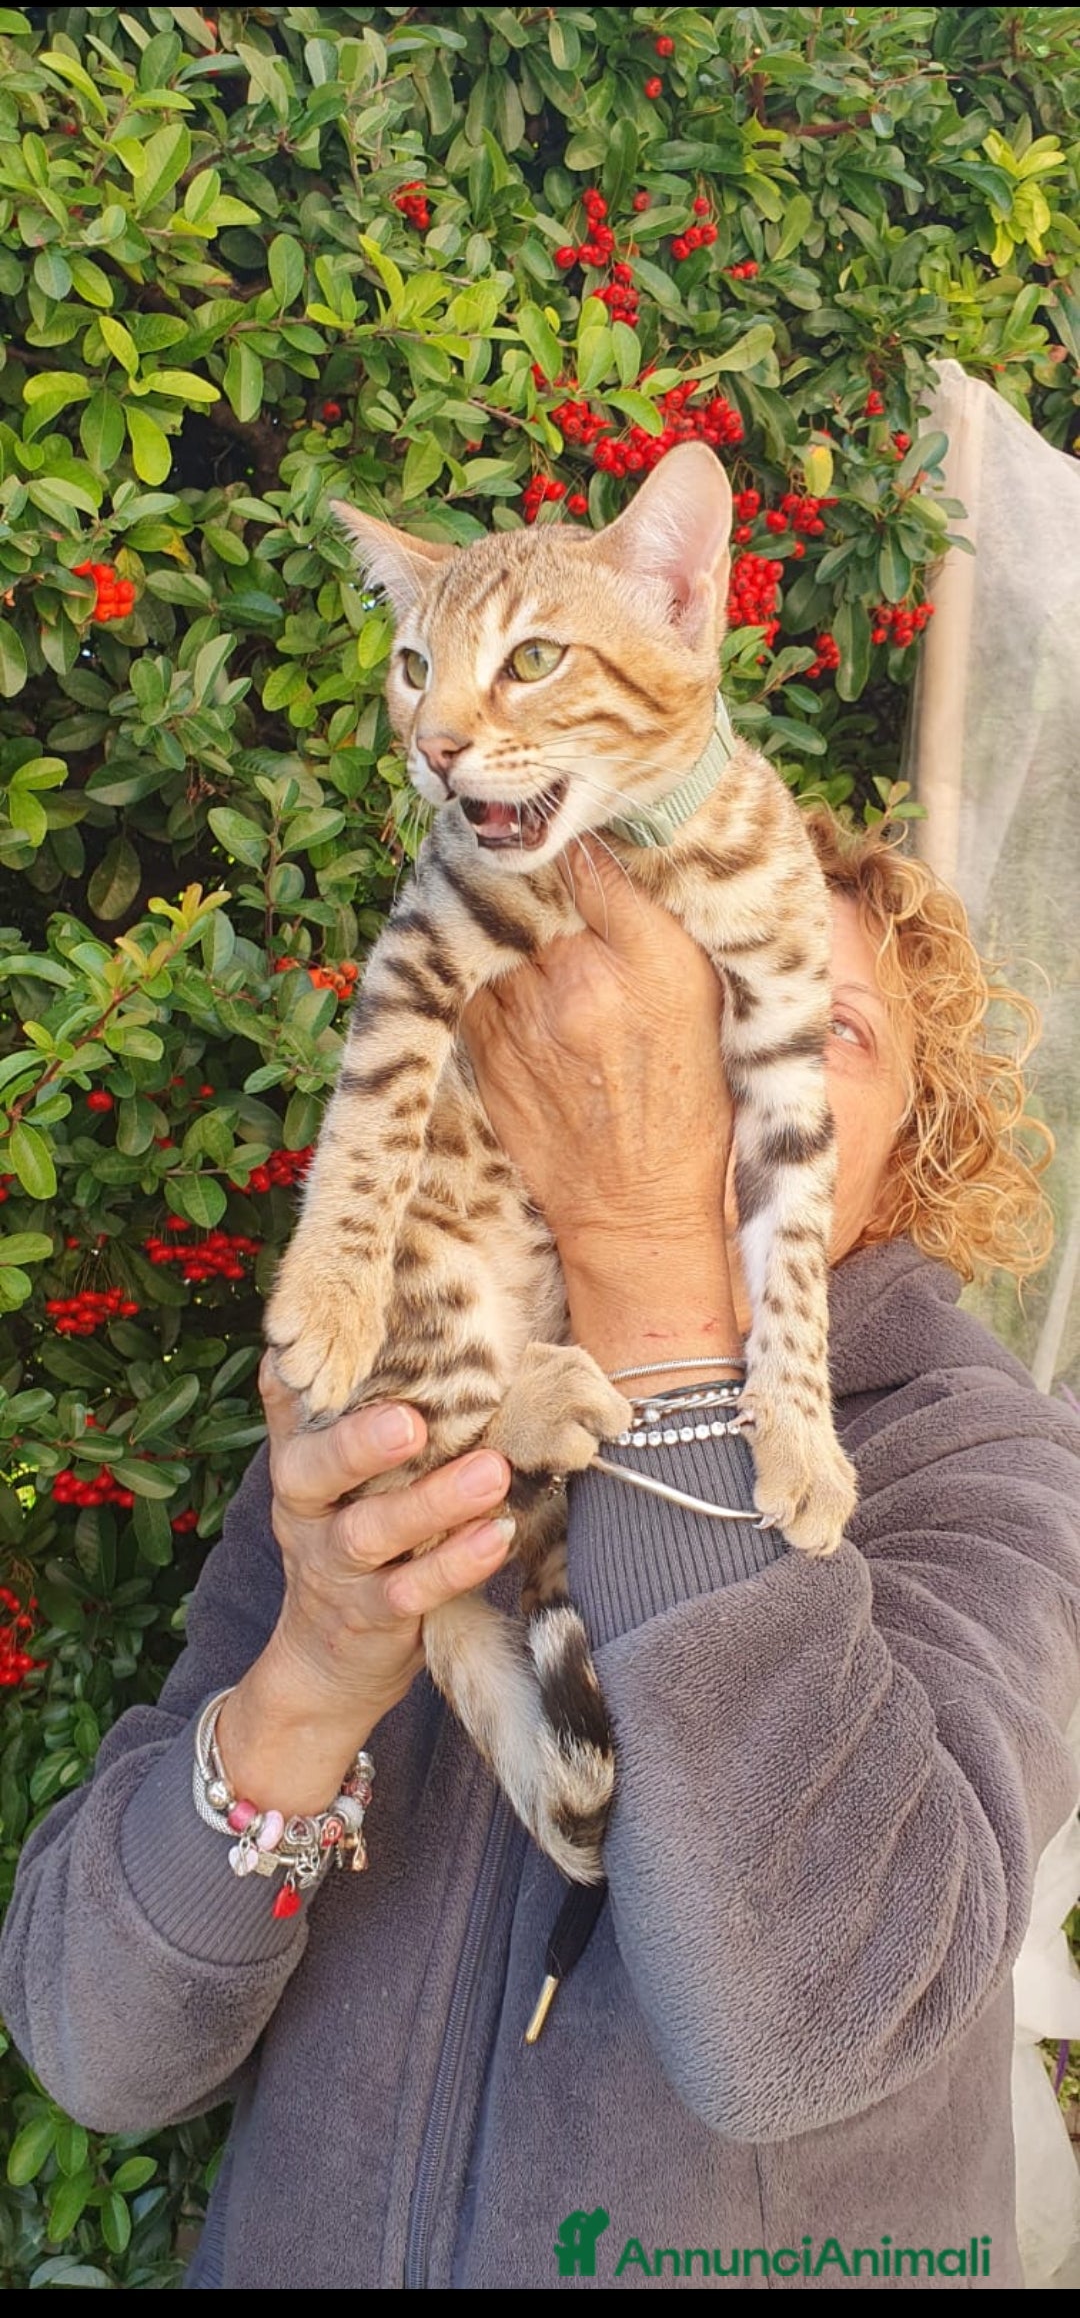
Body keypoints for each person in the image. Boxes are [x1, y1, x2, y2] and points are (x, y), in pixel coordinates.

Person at [2, 809, 1078, 2294]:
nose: (725, 1056)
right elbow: (94, 2051)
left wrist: (646, 1259)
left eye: (824, 1028)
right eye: (697, 992)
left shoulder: (973, 1455)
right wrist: (313, 1678)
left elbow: (793, 2023)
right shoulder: (402, 1398)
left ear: (915, 1153)